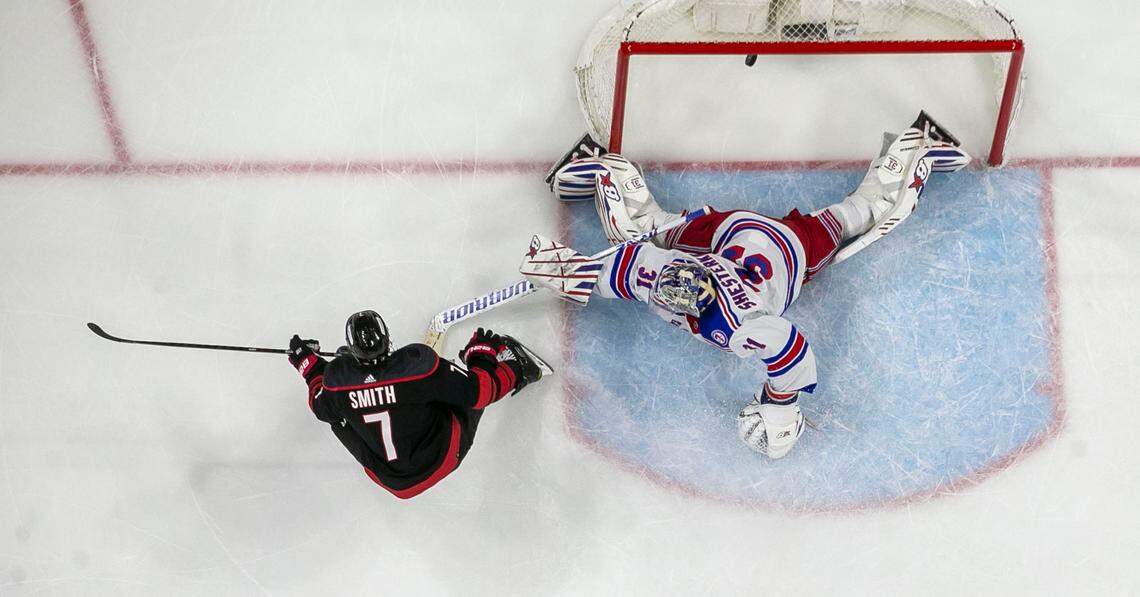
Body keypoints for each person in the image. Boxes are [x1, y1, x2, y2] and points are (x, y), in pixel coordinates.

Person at [524, 112, 970, 459]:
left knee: (860, 212)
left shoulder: (741, 323)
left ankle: (915, 147)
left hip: (771, 242)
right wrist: (574, 273)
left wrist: (783, 398)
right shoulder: (734, 326)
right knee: (639, 231)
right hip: (741, 238)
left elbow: (790, 349)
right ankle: (603, 168)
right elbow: (636, 265)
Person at [288, 311, 545, 498]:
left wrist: (309, 363)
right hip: (440, 459)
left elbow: (320, 403)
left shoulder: (335, 386)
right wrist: (482, 359)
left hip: (391, 480)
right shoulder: (418, 368)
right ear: (387, 340)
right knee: (459, 395)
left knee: (338, 416)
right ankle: (522, 369)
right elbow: (480, 393)